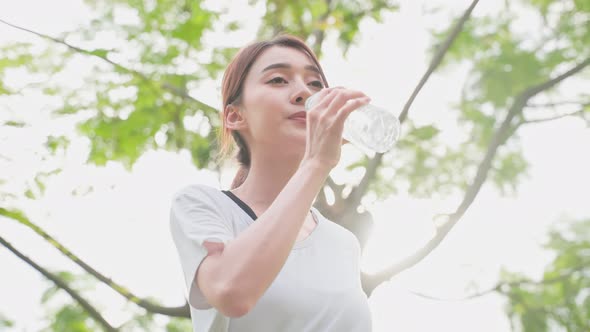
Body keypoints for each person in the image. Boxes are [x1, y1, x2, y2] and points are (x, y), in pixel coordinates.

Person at [169, 34, 373, 332]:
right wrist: (316, 163)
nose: (304, 93)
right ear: (234, 116)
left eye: (315, 83)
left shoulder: (343, 243)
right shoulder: (202, 206)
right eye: (278, 80)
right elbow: (231, 292)